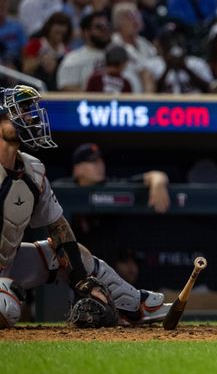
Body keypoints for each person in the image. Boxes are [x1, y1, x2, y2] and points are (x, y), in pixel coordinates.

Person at [0, 85, 171, 328]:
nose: (30, 116)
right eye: (20, 110)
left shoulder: (34, 170)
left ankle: (133, 306)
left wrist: (83, 280)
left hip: (10, 262)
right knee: (5, 307)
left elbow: (58, 228)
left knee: (72, 253)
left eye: (29, 109)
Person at [67, 142, 170, 214]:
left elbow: (155, 175)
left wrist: (158, 183)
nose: (101, 164)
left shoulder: (111, 184)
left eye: (101, 160)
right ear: (78, 169)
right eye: (93, 161)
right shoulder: (60, 189)